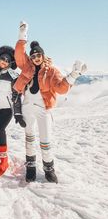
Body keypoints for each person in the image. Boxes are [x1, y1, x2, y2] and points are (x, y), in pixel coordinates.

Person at [13, 21, 87, 183]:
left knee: (45, 141)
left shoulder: (52, 71)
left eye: (38, 55)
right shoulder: (27, 68)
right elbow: (19, 54)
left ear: (43, 55)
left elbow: (61, 89)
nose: (36, 58)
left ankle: (48, 169)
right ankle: (31, 167)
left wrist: (74, 74)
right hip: (27, 109)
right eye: (33, 56)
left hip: (43, 109)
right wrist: (22, 35)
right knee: (29, 138)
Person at [0, 45, 26, 177]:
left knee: (0, 130)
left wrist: (18, 113)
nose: (4, 62)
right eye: (2, 59)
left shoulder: (13, 76)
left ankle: (3, 161)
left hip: (6, 109)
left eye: (7, 60)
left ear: (10, 63)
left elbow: (16, 96)